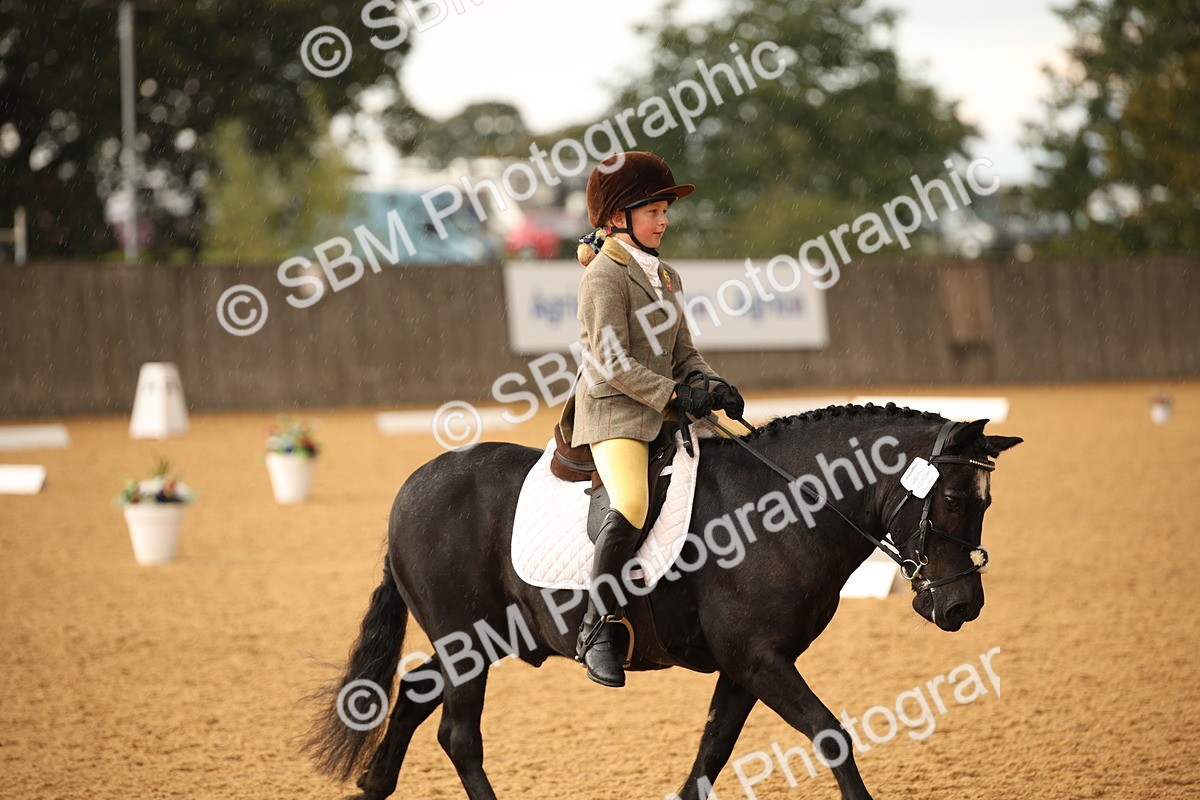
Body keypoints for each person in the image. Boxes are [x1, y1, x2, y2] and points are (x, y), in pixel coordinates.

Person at [557, 151, 745, 687]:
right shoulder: (603, 278)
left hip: (661, 403)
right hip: (614, 412)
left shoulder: (665, 275)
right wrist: (673, 397)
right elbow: (610, 363)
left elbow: (684, 350)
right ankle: (597, 627)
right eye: (654, 211)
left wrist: (708, 384)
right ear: (618, 217)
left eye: (665, 211)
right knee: (632, 501)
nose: (664, 221)